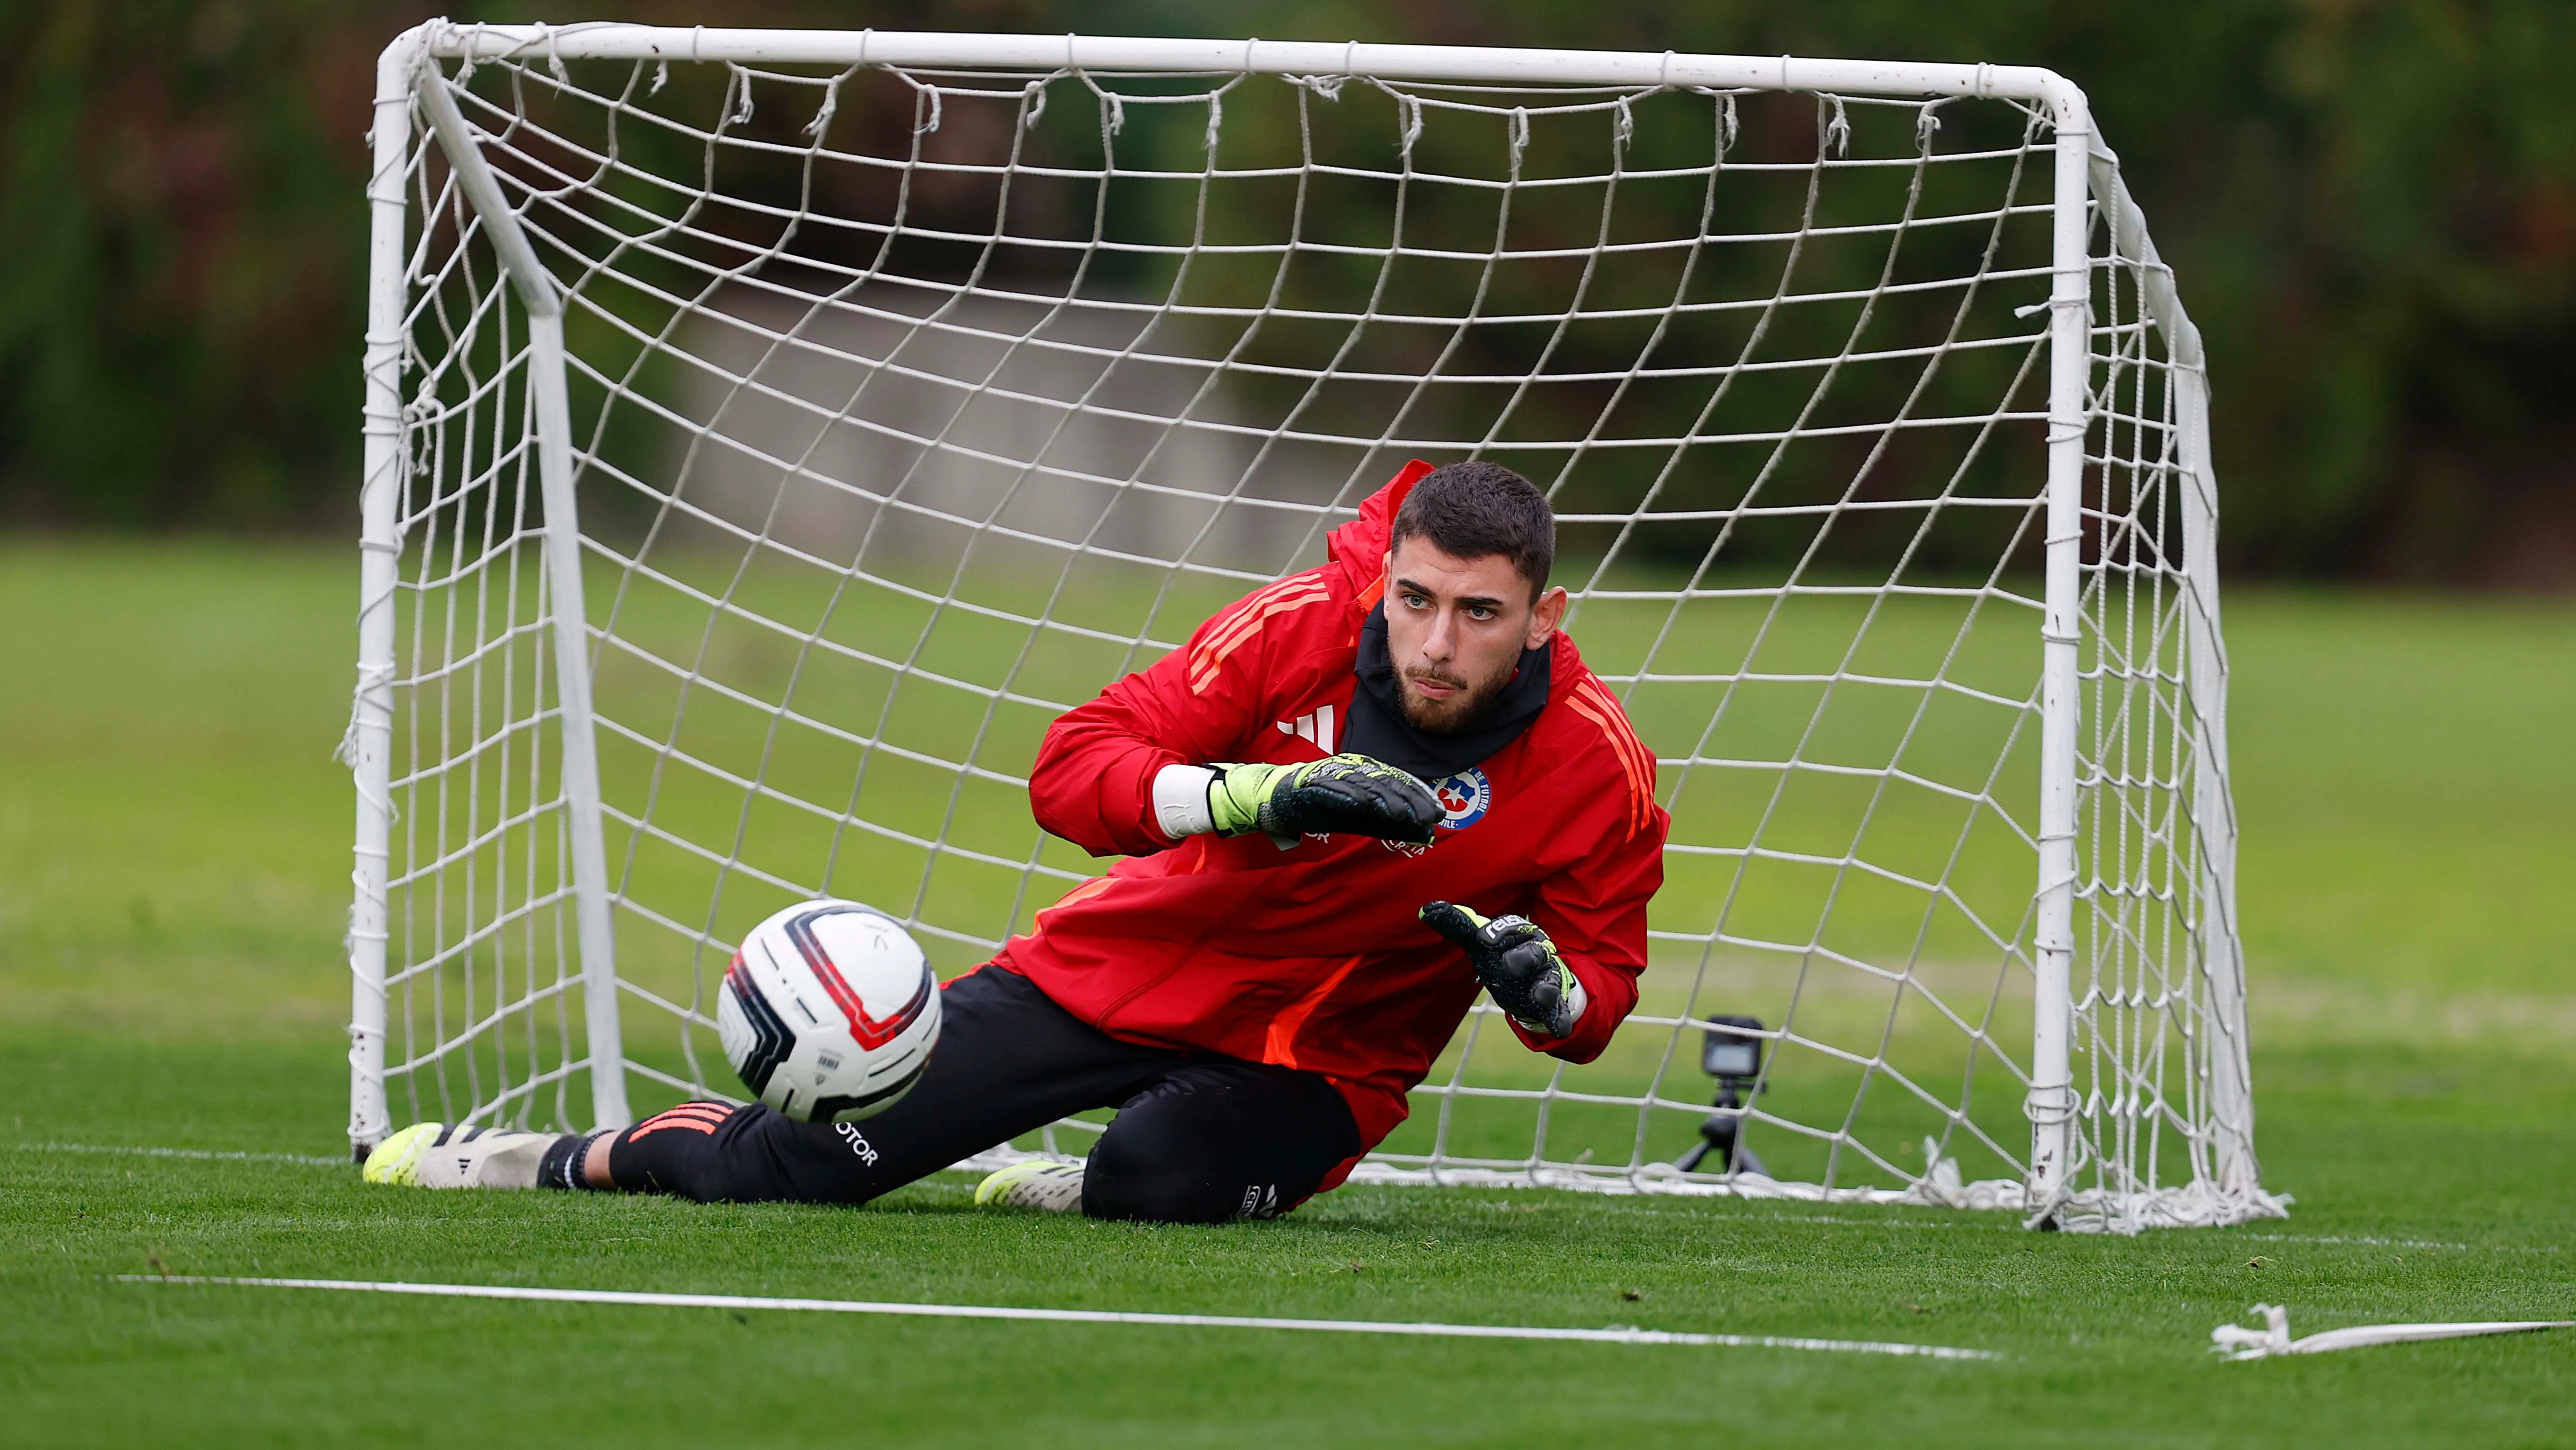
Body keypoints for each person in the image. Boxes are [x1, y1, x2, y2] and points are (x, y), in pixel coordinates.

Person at [364, 459, 1667, 1223]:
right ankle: (552, 1158)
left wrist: (1545, 997)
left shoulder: (1597, 771)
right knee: (795, 1174)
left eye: (1479, 614)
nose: (1436, 642)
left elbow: (1601, 990)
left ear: (1544, 617)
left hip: (1320, 1068)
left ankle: (1097, 1168)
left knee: (1153, 1183)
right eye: (1416, 600)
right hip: (1117, 977)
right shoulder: (1292, 633)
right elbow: (1072, 770)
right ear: (1385, 579)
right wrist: (1263, 797)